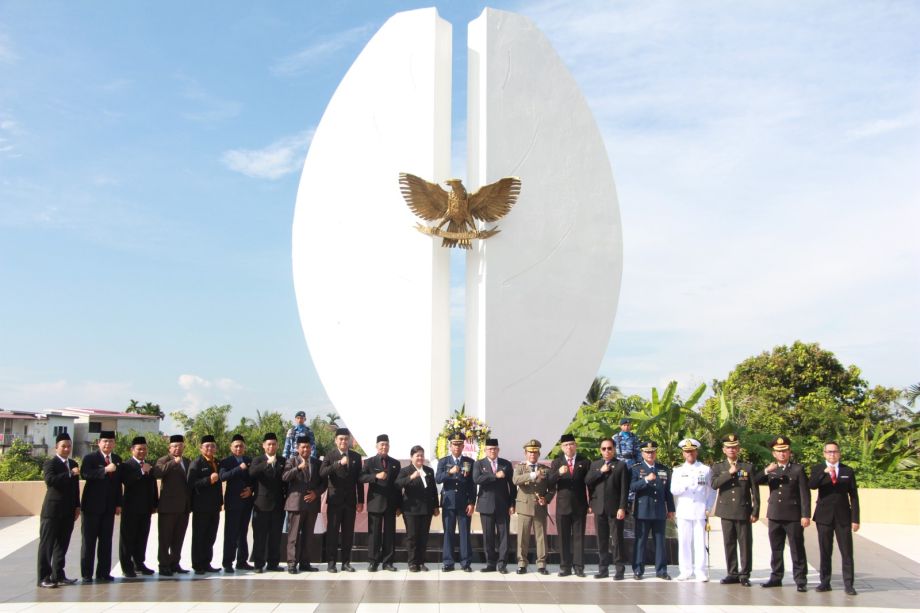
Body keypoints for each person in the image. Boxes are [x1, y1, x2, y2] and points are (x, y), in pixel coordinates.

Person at [755, 435, 811, 592]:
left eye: (785, 451)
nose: (782, 454)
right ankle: (776, 577)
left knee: (797, 548)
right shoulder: (772, 469)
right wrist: (766, 471)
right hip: (774, 514)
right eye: (779, 451)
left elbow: (805, 494)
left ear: (789, 452)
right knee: (776, 548)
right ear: (773, 453)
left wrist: (805, 515)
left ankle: (800, 579)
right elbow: (754, 480)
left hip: (793, 515)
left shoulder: (797, 469)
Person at [809, 440, 860, 596]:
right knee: (825, 550)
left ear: (839, 453)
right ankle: (825, 582)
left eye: (835, 451)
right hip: (824, 516)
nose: (832, 454)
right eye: (829, 452)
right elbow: (812, 485)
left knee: (846, 551)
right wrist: (824, 472)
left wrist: (855, 519)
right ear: (824, 453)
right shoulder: (817, 469)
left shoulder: (848, 471)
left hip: (843, 517)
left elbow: (854, 496)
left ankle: (849, 584)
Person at [710, 433, 759, 587]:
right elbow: (714, 484)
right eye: (728, 448)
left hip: (743, 510)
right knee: (729, 543)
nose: (732, 450)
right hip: (726, 510)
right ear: (724, 450)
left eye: (734, 447)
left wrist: (755, 510)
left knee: (745, 543)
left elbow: (755, 491)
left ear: (738, 449)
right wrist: (729, 473)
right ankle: (732, 573)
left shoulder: (747, 467)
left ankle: (745, 574)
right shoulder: (718, 467)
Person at [37, 432, 81, 588]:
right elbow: (50, 481)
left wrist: (77, 506)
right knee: (46, 545)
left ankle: (59, 575)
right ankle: (43, 577)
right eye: (63, 446)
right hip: (52, 511)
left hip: (68, 512)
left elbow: (76, 488)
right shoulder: (50, 463)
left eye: (69, 446)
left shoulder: (73, 464)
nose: (67, 449)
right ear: (56, 447)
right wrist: (69, 474)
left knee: (62, 545)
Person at [670, 438, 715, 582]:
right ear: (683, 454)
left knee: (700, 542)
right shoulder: (678, 470)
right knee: (684, 542)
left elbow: (711, 490)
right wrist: (685, 485)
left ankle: (700, 571)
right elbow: (673, 490)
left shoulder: (705, 469)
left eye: (692, 451)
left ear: (696, 452)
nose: (689, 453)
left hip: (700, 510)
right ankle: (685, 571)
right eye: (687, 451)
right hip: (684, 510)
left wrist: (708, 507)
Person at [319, 427, 364, 572]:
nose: (344, 441)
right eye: (341, 439)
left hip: (350, 501)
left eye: (346, 439)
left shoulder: (356, 457)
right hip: (334, 500)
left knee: (348, 533)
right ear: (336, 441)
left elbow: (359, 480)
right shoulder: (330, 455)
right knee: (332, 532)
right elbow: (322, 473)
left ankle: (346, 562)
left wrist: (360, 500)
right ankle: (331, 563)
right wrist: (339, 463)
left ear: (349, 440)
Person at [79, 430, 122, 583]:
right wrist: (104, 470)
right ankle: (86, 574)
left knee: (106, 541)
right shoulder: (90, 458)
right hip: (92, 507)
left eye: (110, 441)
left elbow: (118, 484)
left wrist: (118, 503)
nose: (107, 444)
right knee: (89, 541)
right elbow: (85, 474)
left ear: (114, 444)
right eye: (105, 441)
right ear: (99, 443)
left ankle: (104, 572)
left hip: (109, 508)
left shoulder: (117, 459)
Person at [629, 440, 675, 580]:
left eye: (652, 451)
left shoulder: (663, 469)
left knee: (660, 542)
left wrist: (671, 509)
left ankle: (661, 570)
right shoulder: (636, 469)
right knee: (640, 541)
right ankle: (638, 569)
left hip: (659, 510)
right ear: (642, 453)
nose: (650, 454)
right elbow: (632, 487)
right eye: (647, 452)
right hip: (643, 511)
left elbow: (668, 491)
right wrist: (646, 480)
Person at [585, 437, 629, 580]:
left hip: (615, 509)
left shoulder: (621, 465)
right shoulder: (595, 464)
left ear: (614, 449)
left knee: (617, 540)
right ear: (600, 450)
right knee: (602, 540)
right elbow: (588, 482)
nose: (607, 451)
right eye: (604, 449)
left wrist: (622, 507)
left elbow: (624, 489)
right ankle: (603, 569)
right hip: (599, 508)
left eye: (609, 448)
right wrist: (601, 472)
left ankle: (619, 569)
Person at [548, 433, 591, 577]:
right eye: (566, 445)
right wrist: (558, 473)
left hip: (580, 505)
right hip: (563, 506)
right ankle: (565, 566)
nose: (569, 447)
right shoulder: (557, 462)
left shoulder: (584, 461)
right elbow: (549, 482)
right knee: (563, 537)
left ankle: (579, 567)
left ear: (575, 445)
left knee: (579, 537)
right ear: (562, 447)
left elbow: (590, 483)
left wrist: (590, 502)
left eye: (571, 444)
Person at [473, 438, 517, 573]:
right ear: (486, 450)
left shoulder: (506, 464)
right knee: (488, 536)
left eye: (495, 449)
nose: (492, 451)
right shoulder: (479, 464)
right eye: (490, 449)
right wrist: (494, 476)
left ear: (498, 450)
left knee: (504, 536)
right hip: (486, 505)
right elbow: (477, 479)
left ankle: (502, 564)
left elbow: (512, 485)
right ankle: (490, 563)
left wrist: (512, 503)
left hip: (503, 505)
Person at [282, 436, 325, 574]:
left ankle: (305, 562)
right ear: (297, 448)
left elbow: (324, 482)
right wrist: (298, 468)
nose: (305, 449)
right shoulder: (291, 461)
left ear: (311, 448)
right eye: (302, 447)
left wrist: (316, 494)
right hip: (296, 505)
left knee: (308, 535)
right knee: (293, 536)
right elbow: (285, 477)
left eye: (307, 447)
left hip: (312, 504)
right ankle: (292, 564)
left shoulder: (317, 463)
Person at [360, 434, 402, 572]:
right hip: (375, 503)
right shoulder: (369, 462)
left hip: (390, 503)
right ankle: (373, 561)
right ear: (377, 446)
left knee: (390, 534)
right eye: (381, 445)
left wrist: (398, 505)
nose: (384, 447)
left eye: (386, 444)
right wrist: (375, 476)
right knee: (374, 534)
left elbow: (398, 486)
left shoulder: (395, 463)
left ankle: (388, 562)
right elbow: (361, 478)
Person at [435, 433, 476, 572]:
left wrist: (472, 502)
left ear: (463, 446)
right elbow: (438, 478)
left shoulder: (469, 462)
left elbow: (472, 484)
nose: (457, 447)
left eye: (459, 444)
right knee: (448, 532)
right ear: (450, 446)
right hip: (448, 502)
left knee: (465, 533)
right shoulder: (443, 461)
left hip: (464, 502)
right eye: (454, 444)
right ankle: (448, 562)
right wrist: (450, 472)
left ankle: (466, 563)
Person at [118, 436, 158, 577]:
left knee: (142, 537)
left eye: (144, 449)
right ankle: (126, 566)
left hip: (145, 508)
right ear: (132, 450)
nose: (142, 452)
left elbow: (153, 486)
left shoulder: (148, 465)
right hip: (130, 508)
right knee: (128, 538)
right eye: (139, 449)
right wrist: (141, 472)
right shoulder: (127, 465)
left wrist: (154, 503)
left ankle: (139, 563)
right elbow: (127, 482)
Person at [512, 439, 553, 575]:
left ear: (539, 454)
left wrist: (546, 499)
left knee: (541, 537)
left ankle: (541, 564)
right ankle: (522, 563)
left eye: (535, 453)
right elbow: (515, 480)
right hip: (524, 507)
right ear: (525, 453)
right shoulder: (520, 468)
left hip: (539, 507)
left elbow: (552, 488)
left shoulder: (546, 470)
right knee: (523, 537)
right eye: (530, 452)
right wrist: (532, 474)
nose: (532, 455)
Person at [396, 445, 439, 572]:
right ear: (411, 457)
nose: (420, 458)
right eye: (417, 455)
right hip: (411, 509)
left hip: (426, 509)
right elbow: (397, 484)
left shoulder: (429, 470)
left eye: (421, 455)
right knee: (412, 536)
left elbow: (433, 490)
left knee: (423, 536)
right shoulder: (405, 470)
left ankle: (421, 562)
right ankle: (412, 562)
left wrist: (436, 506)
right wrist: (411, 477)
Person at [153, 434, 191, 576]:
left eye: (180, 446)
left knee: (178, 538)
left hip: (183, 507)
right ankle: (163, 565)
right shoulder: (163, 460)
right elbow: (157, 472)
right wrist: (173, 463)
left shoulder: (187, 461)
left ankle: (175, 563)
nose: (177, 448)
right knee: (165, 538)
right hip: (168, 507)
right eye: (174, 446)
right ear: (169, 448)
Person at [249, 432, 287, 573]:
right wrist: (266, 463)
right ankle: (258, 564)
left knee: (275, 536)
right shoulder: (258, 460)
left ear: (277, 445)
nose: (271, 446)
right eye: (269, 444)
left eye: (274, 444)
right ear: (264, 446)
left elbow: (286, 481)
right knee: (260, 536)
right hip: (261, 504)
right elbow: (251, 473)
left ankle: (273, 563)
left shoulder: (283, 460)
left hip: (278, 505)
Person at [187, 434, 223, 575]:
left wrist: (220, 502)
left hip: (214, 506)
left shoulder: (217, 462)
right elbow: (191, 484)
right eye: (207, 446)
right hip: (201, 506)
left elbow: (219, 485)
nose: (210, 448)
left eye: (213, 446)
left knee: (211, 535)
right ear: (201, 448)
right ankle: (197, 564)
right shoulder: (196, 463)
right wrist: (208, 480)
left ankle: (207, 562)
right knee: (199, 536)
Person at [219, 433, 254, 572]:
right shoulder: (226, 462)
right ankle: (227, 562)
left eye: (241, 446)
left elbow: (254, 479)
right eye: (236, 446)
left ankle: (242, 560)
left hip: (246, 501)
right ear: (231, 447)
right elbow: (223, 476)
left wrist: (251, 489)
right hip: (233, 502)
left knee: (243, 532)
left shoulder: (249, 460)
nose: (239, 448)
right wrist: (240, 468)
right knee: (231, 533)